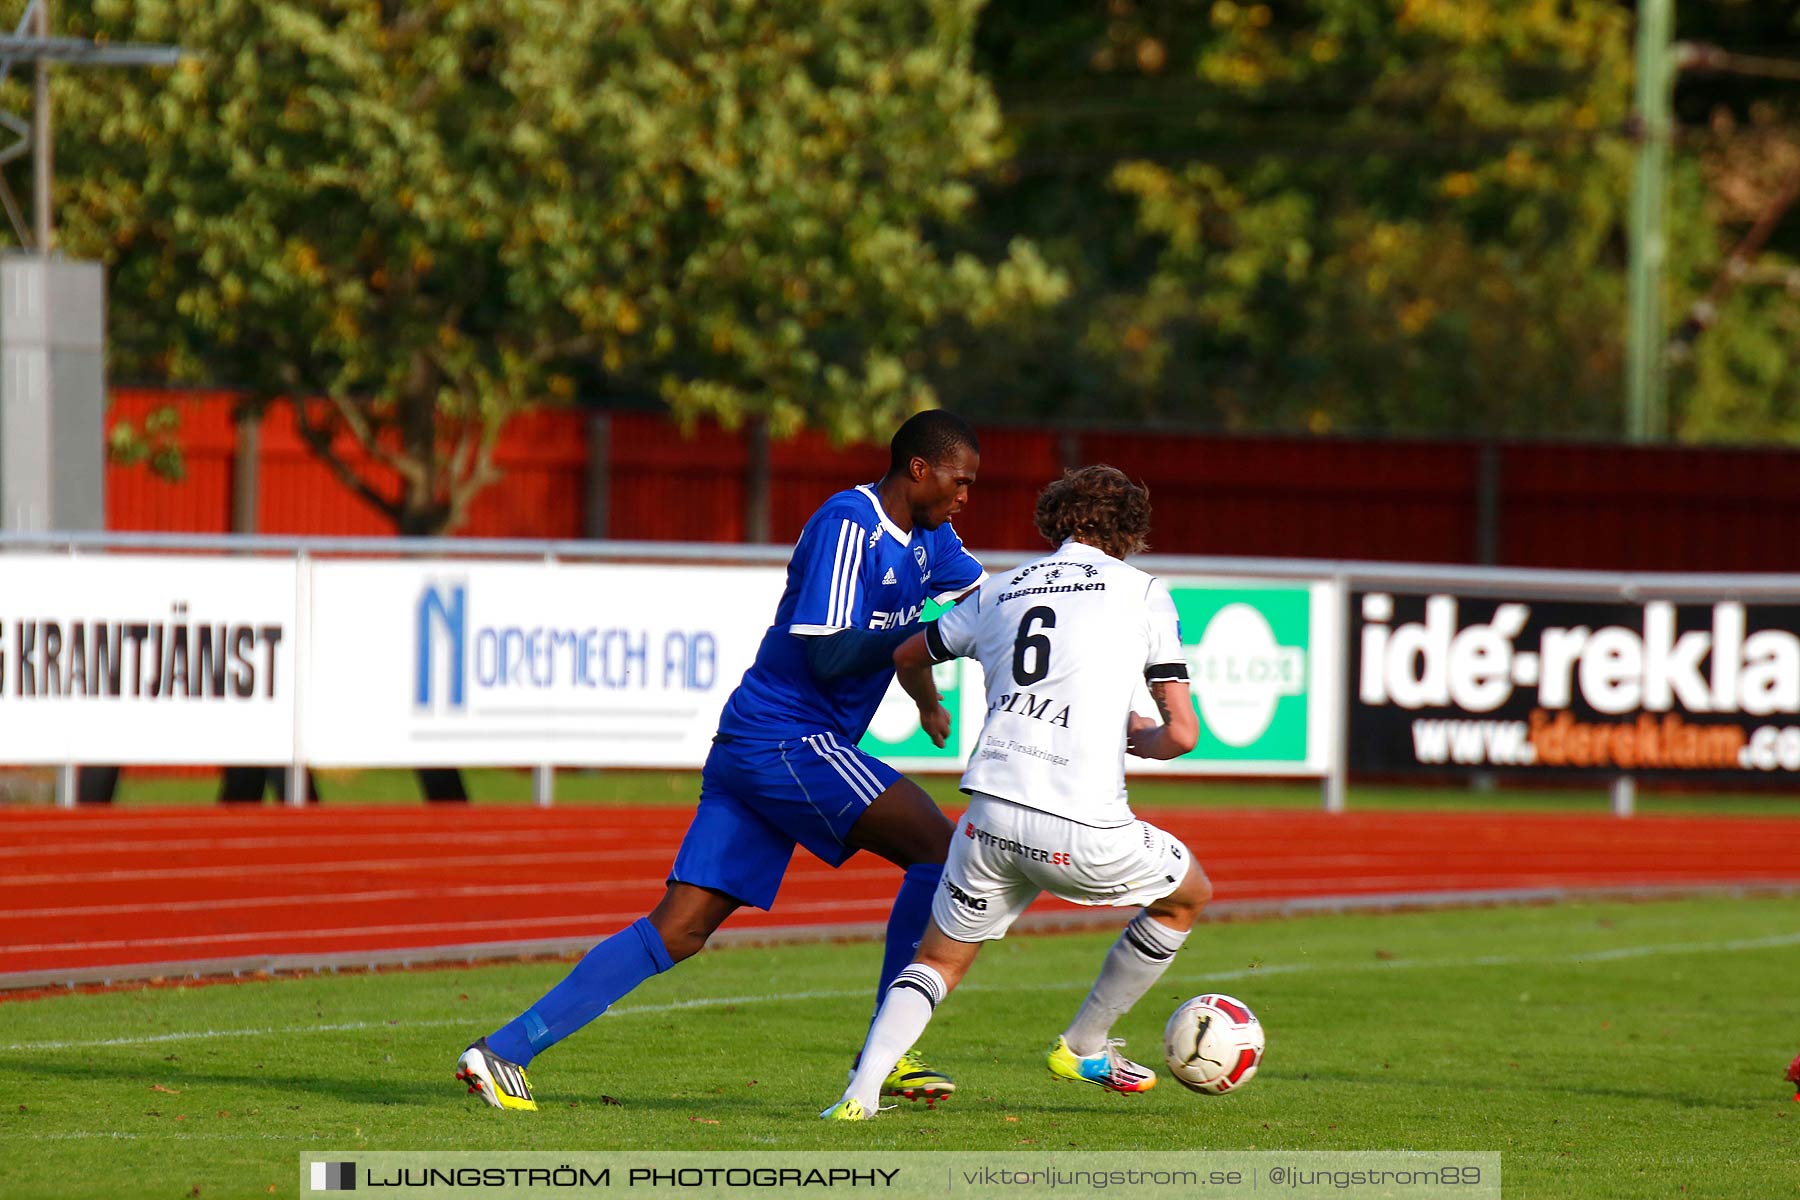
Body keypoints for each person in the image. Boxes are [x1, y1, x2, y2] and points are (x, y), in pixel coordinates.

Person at [457, 411, 987, 1111]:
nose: (965, 497)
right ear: (919, 469)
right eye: (959, 481)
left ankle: (502, 1053)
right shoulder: (849, 525)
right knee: (938, 848)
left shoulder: (932, 540)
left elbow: (975, 606)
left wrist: (925, 696)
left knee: (681, 927)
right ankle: (886, 1050)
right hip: (786, 737)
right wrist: (933, 640)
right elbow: (832, 651)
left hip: (762, 747)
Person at [820, 464, 1211, 1120]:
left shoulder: (1000, 589)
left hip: (989, 817)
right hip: (1083, 826)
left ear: (1055, 519)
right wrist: (1144, 739)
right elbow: (1183, 731)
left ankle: (860, 1093)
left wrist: (929, 708)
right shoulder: (1142, 593)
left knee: (938, 960)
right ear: (1130, 531)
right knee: (1187, 896)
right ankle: (1084, 1045)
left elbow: (908, 655)